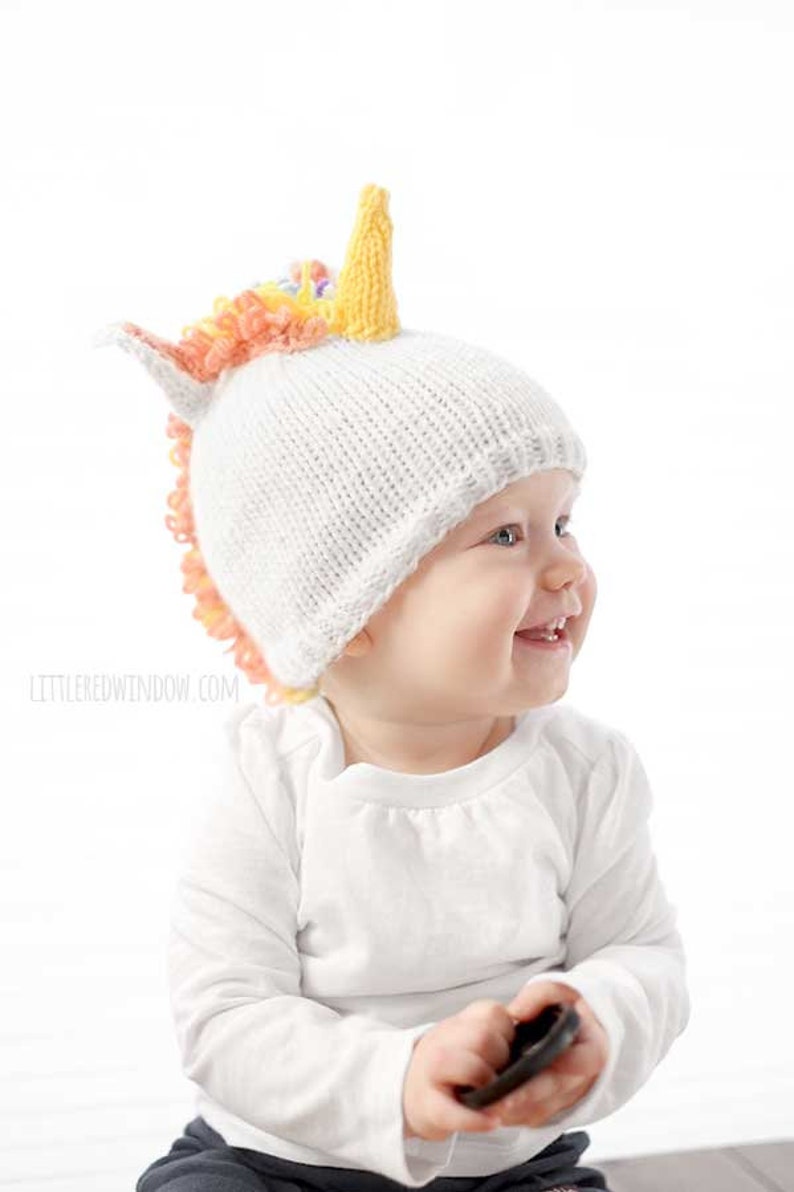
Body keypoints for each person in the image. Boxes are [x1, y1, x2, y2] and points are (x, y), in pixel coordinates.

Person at [94, 184, 690, 1192]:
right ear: (350, 608)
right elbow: (225, 1019)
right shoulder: (268, 776)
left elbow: (642, 953)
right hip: (276, 1160)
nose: (563, 569)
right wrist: (398, 1074)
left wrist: (599, 1020)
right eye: (504, 535)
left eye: (563, 522)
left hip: (509, 1170)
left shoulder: (583, 770)